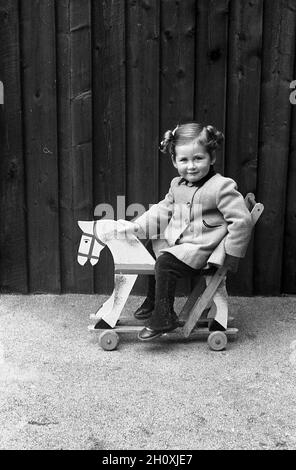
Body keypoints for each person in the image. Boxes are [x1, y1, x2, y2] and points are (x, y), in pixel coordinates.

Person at [119, 122, 253, 341]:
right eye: (184, 160)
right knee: (152, 246)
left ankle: (165, 317)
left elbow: (242, 220)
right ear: (174, 161)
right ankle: (155, 301)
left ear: (212, 158)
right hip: (183, 242)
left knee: (164, 262)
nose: (191, 166)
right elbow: (163, 209)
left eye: (198, 158)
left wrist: (230, 254)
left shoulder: (221, 186)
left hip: (203, 249)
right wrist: (138, 226)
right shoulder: (177, 185)